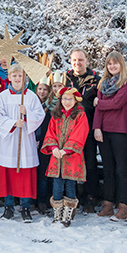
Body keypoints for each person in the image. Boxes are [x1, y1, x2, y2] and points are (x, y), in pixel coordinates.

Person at [0, 64, 45, 223]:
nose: (17, 79)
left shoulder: (31, 96)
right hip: (9, 141)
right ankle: (8, 207)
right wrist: (13, 123)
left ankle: (25, 208)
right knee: (8, 173)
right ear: (9, 77)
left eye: (20, 76)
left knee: (25, 175)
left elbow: (40, 115)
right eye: (14, 76)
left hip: (25, 141)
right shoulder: (2, 96)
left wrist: (27, 114)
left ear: (25, 79)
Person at [93, 51, 127, 222]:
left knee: (122, 170)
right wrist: (97, 128)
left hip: (122, 131)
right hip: (105, 131)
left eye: (115, 63)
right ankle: (108, 205)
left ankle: (123, 207)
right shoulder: (103, 84)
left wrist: (100, 103)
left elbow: (117, 103)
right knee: (108, 169)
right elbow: (98, 109)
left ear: (121, 64)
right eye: (109, 64)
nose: (112, 66)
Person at [42, 87, 89, 227]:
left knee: (70, 183)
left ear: (75, 100)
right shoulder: (56, 114)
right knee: (57, 183)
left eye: (70, 99)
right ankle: (57, 213)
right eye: (64, 99)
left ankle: (68, 214)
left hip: (72, 156)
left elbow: (80, 133)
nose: (67, 102)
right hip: (57, 155)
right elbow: (50, 132)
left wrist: (67, 149)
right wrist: (54, 147)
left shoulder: (80, 115)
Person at [65, 48, 101, 213]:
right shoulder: (66, 78)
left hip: (88, 128)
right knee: (71, 163)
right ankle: (72, 197)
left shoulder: (96, 80)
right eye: (74, 61)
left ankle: (91, 197)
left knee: (90, 163)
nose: (77, 63)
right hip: (69, 130)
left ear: (86, 61)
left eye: (80, 60)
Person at [35, 75, 53, 214]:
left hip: (46, 143)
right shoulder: (33, 104)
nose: (42, 92)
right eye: (40, 89)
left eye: (45, 90)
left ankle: (42, 200)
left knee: (43, 173)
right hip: (33, 142)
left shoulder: (52, 107)